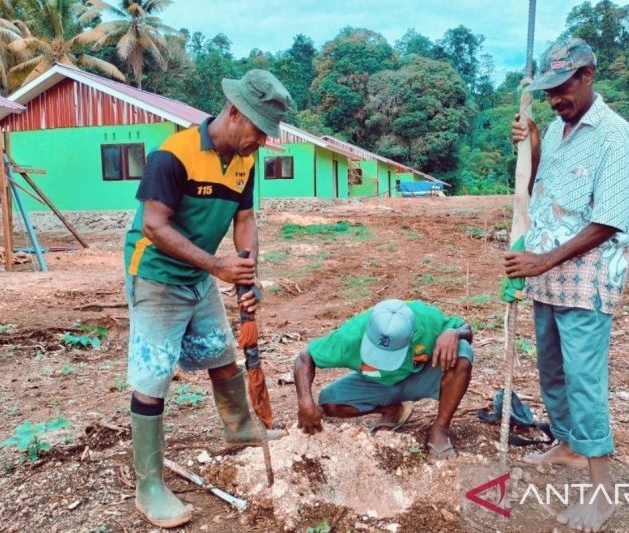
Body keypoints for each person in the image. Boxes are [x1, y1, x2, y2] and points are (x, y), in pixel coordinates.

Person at [122, 70, 292, 528]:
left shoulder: (243, 158)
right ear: (234, 113)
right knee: (154, 376)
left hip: (199, 275)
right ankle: (150, 486)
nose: (261, 141)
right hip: (156, 276)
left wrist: (245, 270)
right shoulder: (172, 157)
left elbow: (246, 217)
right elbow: (155, 227)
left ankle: (238, 428)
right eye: (259, 130)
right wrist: (216, 266)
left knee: (220, 353)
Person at [506, 37, 629, 531]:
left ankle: (601, 491)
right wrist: (534, 143)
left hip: (585, 280)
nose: (556, 100)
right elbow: (544, 185)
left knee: (584, 381)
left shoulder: (616, 137)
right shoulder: (562, 130)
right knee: (553, 372)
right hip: (547, 277)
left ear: (588, 76)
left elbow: (609, 221)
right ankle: (566, 445)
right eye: (548, 93)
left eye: (562, 89)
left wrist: (541, 261)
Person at [293, 299, 474, 463]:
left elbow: (466, 329)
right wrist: (305, 402)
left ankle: (440, 429)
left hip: (420, 378)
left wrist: (455, 333)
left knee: (462, 355)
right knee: (329, 402)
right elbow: (305, 358)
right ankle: (392, 409)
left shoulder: (425, 319)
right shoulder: (351, 335)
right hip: (378, 384)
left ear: (413, 333)